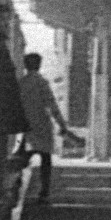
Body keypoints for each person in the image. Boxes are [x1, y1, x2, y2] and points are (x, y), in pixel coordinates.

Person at [15, 52, 71, 204]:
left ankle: (16, 185)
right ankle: (44, 191)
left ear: (26, 65)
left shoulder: (21, 83)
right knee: (45, 159)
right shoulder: (42, 83)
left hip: (25, 126)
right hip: (42, 126)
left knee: (23, 157)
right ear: (39, 65)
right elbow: (52, 105)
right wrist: (62, 125)